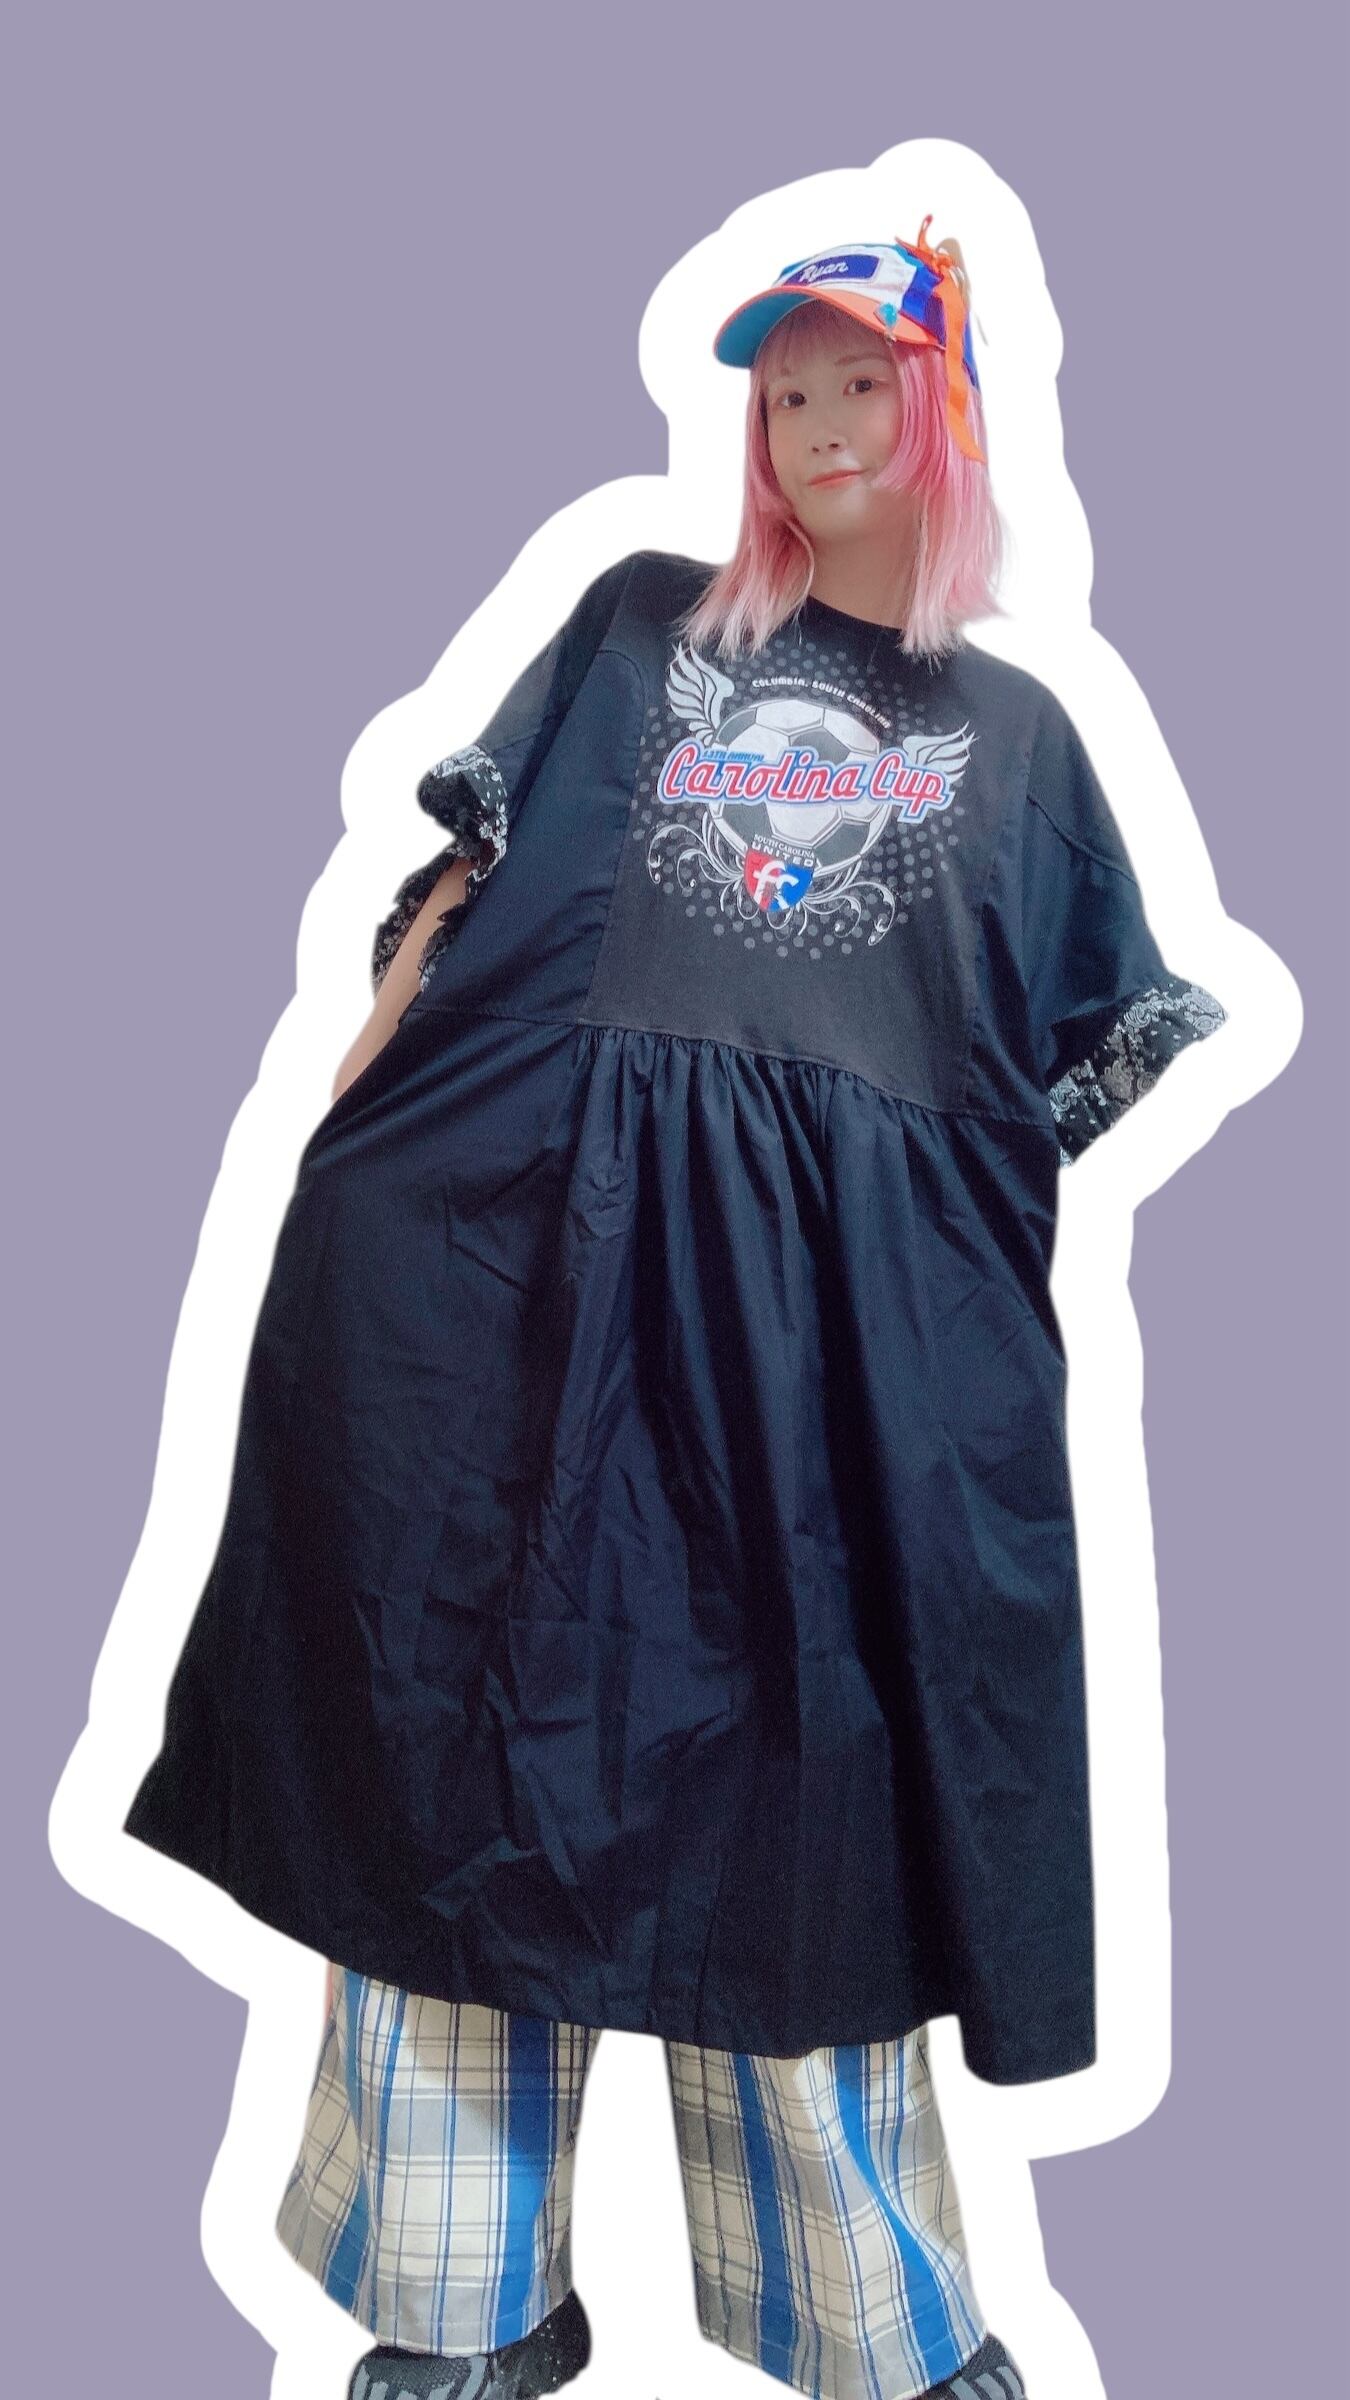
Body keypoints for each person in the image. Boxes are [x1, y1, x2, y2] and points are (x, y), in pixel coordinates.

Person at [122, 221, 1229, 2400]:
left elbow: (1054, 1088)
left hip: (824, 1365)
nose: (816, 425)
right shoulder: (640, 625)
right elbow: (462, 899)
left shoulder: (1023, 739)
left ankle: (870, 2324)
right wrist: (345, 1119)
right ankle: (461, 2302)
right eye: (783, 390)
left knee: (808, 1802)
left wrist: (890, 1294)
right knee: (451, 1755)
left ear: (947, 410)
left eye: (860, 381)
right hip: (514, 1286)